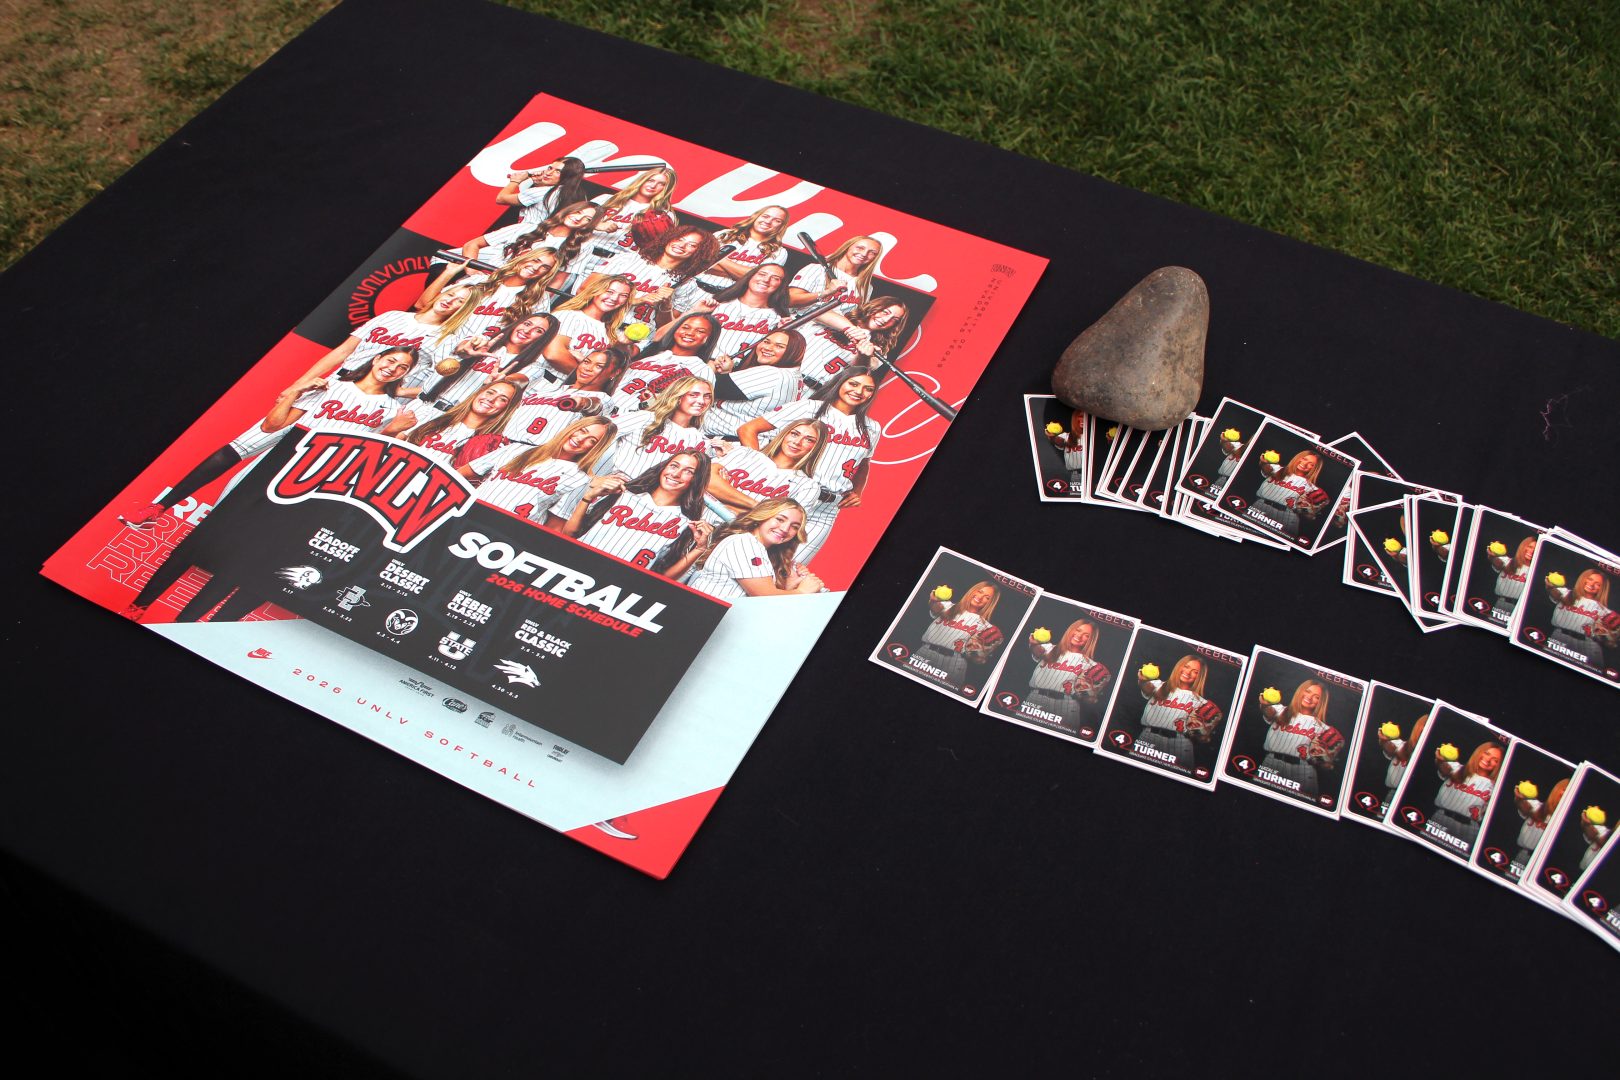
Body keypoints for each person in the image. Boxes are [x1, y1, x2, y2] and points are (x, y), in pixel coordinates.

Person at [736, 366, 880, 564]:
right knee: (750, 560)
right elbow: (748, 429)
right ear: (841, 382)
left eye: (868, 389)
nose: (859, 391)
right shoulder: (809, 408)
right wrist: (761, 468)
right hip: (790, 495)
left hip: (827, 508)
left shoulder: (872, 427)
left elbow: (864, 462)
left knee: (788, 570)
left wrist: (858, 490)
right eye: (853, 384)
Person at [563, 450, 713, 578]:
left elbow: (663, 578)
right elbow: (570, 533)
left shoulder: (686, 523)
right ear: (663, 467)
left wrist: (699, 549)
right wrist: (587, 498)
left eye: (689, 471)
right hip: (573, 564)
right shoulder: (622, 494)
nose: (676, 474)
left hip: (620, 585)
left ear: (696, 479)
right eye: (674, 466)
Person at [463, 414, 617, 528]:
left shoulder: (579, 479)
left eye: (592, 440)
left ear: (594, 449)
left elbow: (554, 528)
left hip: (507, 532)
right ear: (573, 428)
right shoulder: (517, 449)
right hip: (468, 516)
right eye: (582, 431)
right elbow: (461, 475)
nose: (581, 439)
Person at [682, 497, 823, 600]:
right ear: (763, 517)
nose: (786, 529)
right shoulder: (744, 543)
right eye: (780, 519)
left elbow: (758, 600)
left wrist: (789, 586)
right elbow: (764, 597)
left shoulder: (761, 550)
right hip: (698, 617)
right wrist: (803, 591)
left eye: (795, 527)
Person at [501, 344, 631, 447]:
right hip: (502, 444)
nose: (588, 368)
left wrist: (582, 402)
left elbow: (594, 405)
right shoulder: (548, 389)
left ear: (614, 373)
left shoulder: (605, 399)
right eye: (586, 362)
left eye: (599, 366)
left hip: (535, 450)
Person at [704, 418, 824, 525]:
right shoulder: (744, 453)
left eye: (809, 440)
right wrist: (761, 507)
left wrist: (724, 496)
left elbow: (781, 524)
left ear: (816, 448)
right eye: (794, 434)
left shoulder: (808, 486)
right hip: (696, 522)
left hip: (736, 539)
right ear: (784, 435)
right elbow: (705, 481)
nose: (797, 442)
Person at [596, 223, 720, 326]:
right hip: (601, 322)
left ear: (699, 253)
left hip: (637, 336)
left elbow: (665, 327)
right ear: (669, 238)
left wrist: (666, 306)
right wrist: (637, 300)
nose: (682, 245)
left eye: (692, 245)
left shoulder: (687, 284)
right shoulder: (627, 259)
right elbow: (585, 290)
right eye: (679, 239)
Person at [672, 204, 792, 310]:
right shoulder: (724, 234)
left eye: (777, 220)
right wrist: (744, 273)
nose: (768, 221)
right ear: (757, 216)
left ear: (781, 226)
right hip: (691, 287)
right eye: (765, 216)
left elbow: (756, 279)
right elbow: (698, 262)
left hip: (725, 300)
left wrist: (719, 259)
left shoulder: (779, 252)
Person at [386, 380, 520, 468]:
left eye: (502, 399)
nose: (491, 399)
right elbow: (384, 450)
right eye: (490, 392)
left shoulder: (489, 445)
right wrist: (392, 429)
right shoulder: (430, 415)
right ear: (479, 393)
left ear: (507, 409)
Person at [575, 165, 679, 279]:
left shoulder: (663, 215)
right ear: (642, 180)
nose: (653, 185)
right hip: (579, 252)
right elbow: (569, 221)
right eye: (650, 180)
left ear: (667, 189)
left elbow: (657, 249)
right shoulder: (606, 199)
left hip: (612, 264)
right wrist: (595, 224)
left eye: (662, 184)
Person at [609, 313, 722, 415]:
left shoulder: (701, 370)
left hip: (636, 421)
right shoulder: (651, 352)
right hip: (605, 410)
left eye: (700, 331)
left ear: (708, 339)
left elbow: (691, 411)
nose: (690, 333)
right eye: (685, 327)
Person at [702, 329, 807, 438]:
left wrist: (710, 367)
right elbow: (729, 389)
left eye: (779, 346)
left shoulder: (773, 374)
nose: (767, 348)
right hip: (736, 438)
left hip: (730, 441)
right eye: (766, 342)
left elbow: (709, 388)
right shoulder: (793, 375)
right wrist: (726, 372)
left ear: (793, 352)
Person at [601, 376, 712, 479]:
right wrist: (595, 478)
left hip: (651, 498)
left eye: (707, 397)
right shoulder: (645, 418)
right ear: (678, 396)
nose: (702, 401)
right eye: (693, 395)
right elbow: (598, 429)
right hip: (615, 487)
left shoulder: (700, 440)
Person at [798, 297, 909, 394]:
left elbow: (866, 368)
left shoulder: (879, 348)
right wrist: (851, 329)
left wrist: (864, 356)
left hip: (814, 390)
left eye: (894, 320)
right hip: (786, 373)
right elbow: (818, 313)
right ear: (874, 306)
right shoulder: (841, 315)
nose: (886, 320)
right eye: (885, 312)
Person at [1256, 679, 1341, 799]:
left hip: (1304, 770)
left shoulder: (1324, 729)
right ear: (1300, 692)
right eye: (1307, 691)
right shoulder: (1281, 711)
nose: (1309, 697)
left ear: (1320, 702)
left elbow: (1325, 764)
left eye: (1316, 697)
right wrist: (1265, 704)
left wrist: (1326, 760)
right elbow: (1269, 712)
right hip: (1272, 763)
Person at [1024, 619, 1111, 733]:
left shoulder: (1091, 666)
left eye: (1086, 635)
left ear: (1090, 640)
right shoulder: (1050, 649)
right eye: (1078, 630)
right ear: (1071, 630)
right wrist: (1034, 642)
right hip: (1036, 699)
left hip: (1067, 705)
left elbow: (1088, 700)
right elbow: (1036, 649)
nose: (1079, 636)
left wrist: (1090, 692)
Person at [1135, 655, 1222, 769]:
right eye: (1186, 666)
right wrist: (1142, 680)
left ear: (1199, 677)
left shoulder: (1202, 703)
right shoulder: (1158, 686)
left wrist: (1203, 732)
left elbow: (1201, 738)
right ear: (1179, 667)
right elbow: (1145, 687)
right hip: (1149, 737)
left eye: (1195, 671)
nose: (1188, 672)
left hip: (1181, 743)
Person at [540, 275, 632, 380]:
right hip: (543, 381)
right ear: (596, 291)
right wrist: (592, 378)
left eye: (623, 295)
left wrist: (585, 363)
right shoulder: (568, 315)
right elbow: (554, 354)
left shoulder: (609, 330)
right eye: (609, 292)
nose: (615, 298)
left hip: (568, 388)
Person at [690, 262, 791, 357]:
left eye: (775, 278)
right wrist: (694, 312)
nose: (766, 280)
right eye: (762, 274)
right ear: (750, 277)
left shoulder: (778, 319)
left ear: (781, 286)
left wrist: (782, 331)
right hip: (696, 360)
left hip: (734, 371)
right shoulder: (717, 304)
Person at [912, 581, 1002, 687]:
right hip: (925, 653)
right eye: (980, 591)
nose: (980, 597)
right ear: (973, 591)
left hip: (955, 662)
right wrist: (933, 601)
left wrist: (983, 652)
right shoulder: (949, 607)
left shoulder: (986, 627)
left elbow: (977, 659)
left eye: (987, 597)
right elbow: (936, 607)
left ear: (990, 603)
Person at [787, 234, 883, 327]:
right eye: (860, 248)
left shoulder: (866, 286)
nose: (864, 254)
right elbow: (790, 300)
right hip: (800, 327)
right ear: (848, 247)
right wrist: (826, 292)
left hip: (828, 339)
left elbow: (854, 318)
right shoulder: (816, 269)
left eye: (872, 253)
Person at [1430, 741, 1503, 846]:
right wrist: (1440, 759)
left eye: (1495, 760)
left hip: (1469, 828)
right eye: (1486, 753)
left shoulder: (1494, 787)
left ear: (1498, 765)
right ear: (1479, 752)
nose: (1488, 760)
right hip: (1442, 817)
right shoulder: (1457, 768)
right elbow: (1444, 766)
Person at [1544, 568, 1617, 665]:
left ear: (1602, 589)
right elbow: (1555, 594)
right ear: (1583, 579)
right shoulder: (1566, 594)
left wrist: (1610, 636)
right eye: (1590, 579)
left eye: (1597, 584)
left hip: (1588, 645)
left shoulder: (1605, 612)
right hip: (1559, 638)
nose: (1591, 584)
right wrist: (1551, 588)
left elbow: (1612, 644)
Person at [1253, 449, 1326, 538]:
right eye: (1304, 459)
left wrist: (1313, 509)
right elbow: (1266, 468)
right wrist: (1264, 462)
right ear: (1298, 458)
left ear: (1314, 468)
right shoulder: (1278, 470)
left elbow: (1309, 515)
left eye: (1311, 464)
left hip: (1287, 516)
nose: (1305, 464)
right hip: (1260, 507)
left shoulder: (1312, 489)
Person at [495, 156, 587, 224]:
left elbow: (501, 199)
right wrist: (537, 182)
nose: (549, 173)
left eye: (557, 172)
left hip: (526, 233)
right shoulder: (578, 194)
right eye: (550, 168)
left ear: (568, 177)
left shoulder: (543, 192)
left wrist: (515, 181)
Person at [1377, 712, 1429, 813]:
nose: (1423, 731)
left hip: (1414, 801)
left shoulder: (1432, 758)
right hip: (1393, 795)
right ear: (1417, 728)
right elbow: (1389, 746)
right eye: (1423, 727)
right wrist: (1383, 739)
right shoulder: (1402, 745)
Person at [1513, 776, 1568, 871]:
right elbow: (1525, 807)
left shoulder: (1564, 820)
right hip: (1523, 855)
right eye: (1565, 789)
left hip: (1543, 864)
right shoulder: (1538, 806)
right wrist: (1519, 798)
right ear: (1557, 790)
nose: (1566, 794)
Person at [1487, 535, 1537, 622]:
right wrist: (1492, 556)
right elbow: (1496, 561)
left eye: (1535, 549)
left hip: (1519, 608)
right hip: (1500, 604)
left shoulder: (1533, 572)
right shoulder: (1508, 562)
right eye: (1530, 547)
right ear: (1523, 547)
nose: (1532, 551)